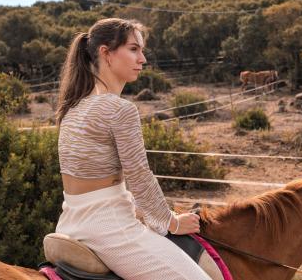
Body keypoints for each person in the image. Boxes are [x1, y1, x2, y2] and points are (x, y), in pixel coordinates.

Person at [54, 18, 212, 280]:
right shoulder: (119, 109)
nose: (143, 59)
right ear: (106, 53)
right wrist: (171, 222)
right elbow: (139, 178)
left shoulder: (72, 109)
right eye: (133, 49)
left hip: (71, 222)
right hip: (110, 229)